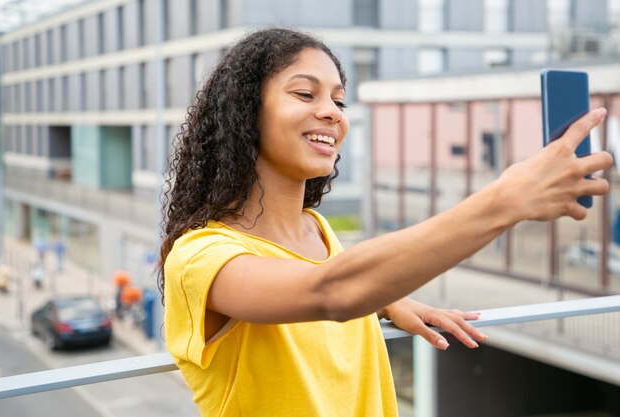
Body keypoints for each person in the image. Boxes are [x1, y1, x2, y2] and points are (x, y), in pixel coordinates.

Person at [159, 28, 612, 416]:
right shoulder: (199, 257)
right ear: (244, 113)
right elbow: (329, 292)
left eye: (339, 100)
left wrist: (381, 298)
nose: (333, 112)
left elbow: (326, 288)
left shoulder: (316, 232)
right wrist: (506, 199)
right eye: (304, 93)